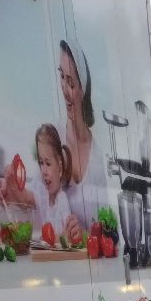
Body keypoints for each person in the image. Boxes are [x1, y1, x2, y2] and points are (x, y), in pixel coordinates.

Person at [57, 40, 111, 243]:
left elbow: (108, 231)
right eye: (61, 76)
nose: (63, 88)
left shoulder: (98, 158)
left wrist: (85, 235)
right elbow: (39, 199)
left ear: (83, 90)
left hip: (84, 265)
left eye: (70, 83)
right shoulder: (53, 137)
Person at [0, 124, 75, 244]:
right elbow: (24, 198)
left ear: (59, 168)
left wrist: (46, 241)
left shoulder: (62, 200)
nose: (43, 171)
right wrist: (7, 186)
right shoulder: (43, 194)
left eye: (48, 164)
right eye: (41, 163)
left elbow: (67, 238)